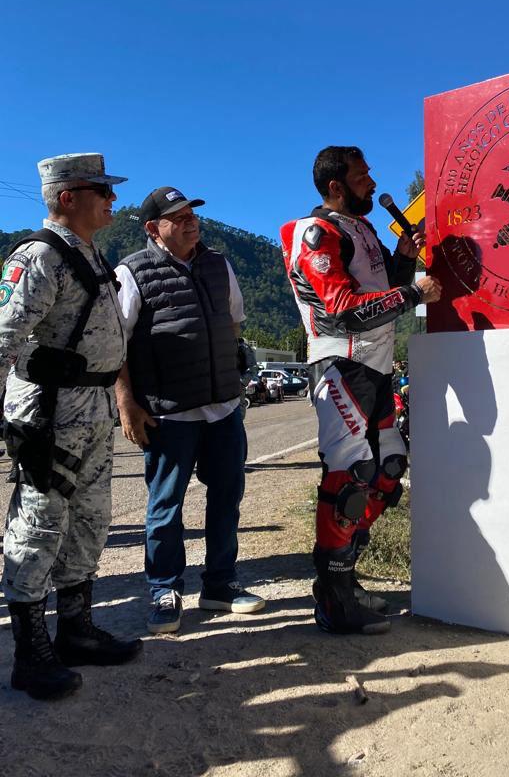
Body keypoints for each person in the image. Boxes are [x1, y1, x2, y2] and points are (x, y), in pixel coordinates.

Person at [280, 146, 442, 635]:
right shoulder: (314, 233)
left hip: (375, 367)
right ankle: (334, 595)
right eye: (362, 177)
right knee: (350, 475)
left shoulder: (364, 229)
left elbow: (376, 290)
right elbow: (343, 310)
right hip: (339, 367)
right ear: (335, 186)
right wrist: (413, 292)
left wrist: (402, 261)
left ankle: (346, 570)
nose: (372, 183)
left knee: (389, 470)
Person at [0, 153, 141, 700]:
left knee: (90, 521)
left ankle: (75, 630)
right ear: (67, 198)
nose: (112, 199)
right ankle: (31, 653)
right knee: (39, 525)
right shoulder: (38, 257)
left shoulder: (92, 256)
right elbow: (3, 340)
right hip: (50, 414)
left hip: (93, 411)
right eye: (101, 190)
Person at [114, 186, 265, 635]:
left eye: (191, 214)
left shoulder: (219, 264)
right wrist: (126, 402)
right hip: (168, 414)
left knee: (227, 498)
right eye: (176, 217)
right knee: (166, 505)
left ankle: (220, 584)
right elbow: (116, 344)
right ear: (152, 228)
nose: (190, 222)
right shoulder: (132, 271)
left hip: (223, 410)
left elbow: (234, 321)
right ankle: (164, 588)